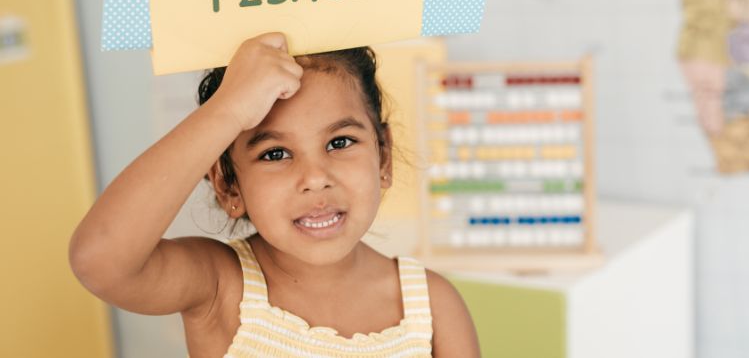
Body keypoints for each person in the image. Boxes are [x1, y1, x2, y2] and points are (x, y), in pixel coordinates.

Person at [69, 32, 479, 357]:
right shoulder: (220, 287)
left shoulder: (431, 306)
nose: (315, 177)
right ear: (228, 184)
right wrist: (228, 110)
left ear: (383, 156)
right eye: (275, 153)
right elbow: (100, 260)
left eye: (339, 142)